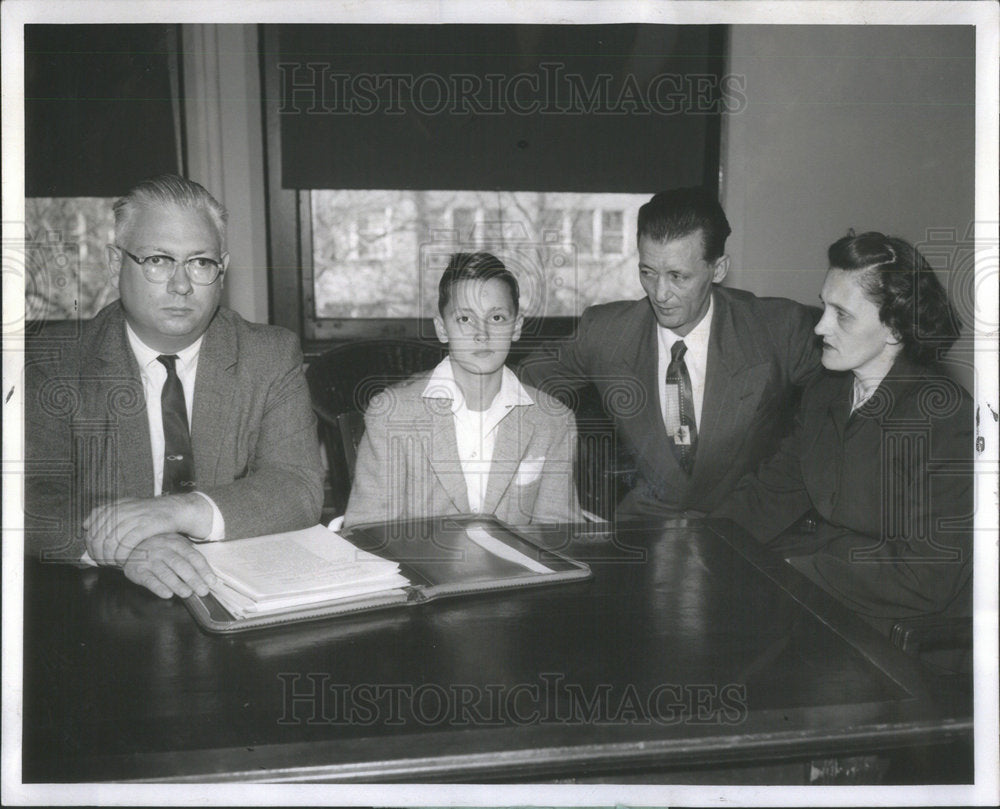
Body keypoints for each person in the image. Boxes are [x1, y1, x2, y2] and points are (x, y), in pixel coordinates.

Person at [24, 175, 325, 599]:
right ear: (115, 264)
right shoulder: (56, 363)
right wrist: (124, 544)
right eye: (158, 260)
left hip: (233, 590)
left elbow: (297, 487)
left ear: (222, 270)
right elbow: (28, 495)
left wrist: (179, 510)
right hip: (102, 600)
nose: (181, 285)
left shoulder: (269, 354)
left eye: (200, 262)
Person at [714, 232, 973, 635]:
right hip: (830, 598)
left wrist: (795, 572)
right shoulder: (826, 391)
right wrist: (701, 542)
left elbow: (930, 575)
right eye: (823, 307)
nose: (819, 327)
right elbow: (772, 493)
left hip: (905, 632)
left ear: (895, 330)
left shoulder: (943, 416)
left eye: (842, 314)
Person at [520, 187, 821, 519]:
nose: (660, 294)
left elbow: (836, 414)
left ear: (718, 269)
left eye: (678, 277)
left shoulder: (778, 328)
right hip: (644, 532)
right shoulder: (606, 331)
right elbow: (517, 388)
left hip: (752, 527)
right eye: (648, 273)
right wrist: (553, 493)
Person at [344, 252, 582, 528]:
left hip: (518, 570)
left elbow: (558, 533)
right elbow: (368, 532)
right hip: (421, 568)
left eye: (496, 317)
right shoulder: (392, 414)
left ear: (516, 327)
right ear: (442, 329)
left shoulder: (552, 419)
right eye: (465, 319)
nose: (482, 334)